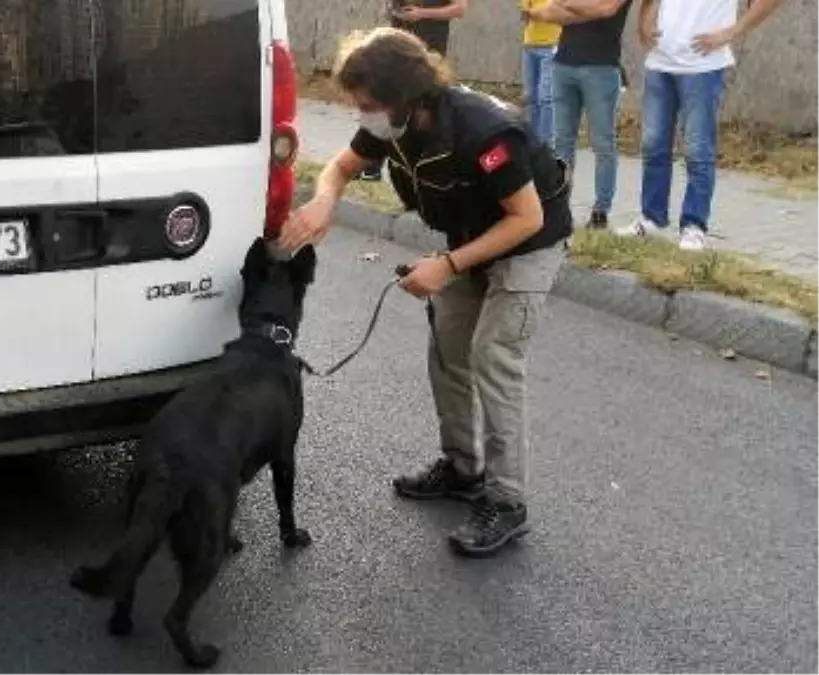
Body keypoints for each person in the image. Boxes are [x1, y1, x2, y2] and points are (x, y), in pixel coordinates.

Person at [278, 27, 574, 558]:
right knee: (448, 352)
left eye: (367, 104)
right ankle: (463, 470)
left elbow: (526, 218)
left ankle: (508, 501)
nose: (361, 113)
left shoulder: (485, 133)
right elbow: (342, 167)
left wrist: (448, 266)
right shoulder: (395, 125)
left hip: (529, 242)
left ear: (405, 97)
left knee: (493, 355)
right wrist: (325, 199)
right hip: (469, 238)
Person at [616, 0, 787, 250]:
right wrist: (643, 23)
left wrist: (732, 32)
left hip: (702, 66)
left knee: (697, 149)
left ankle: (694, 226)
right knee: (653, 146)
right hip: (660, 62)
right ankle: (651, 218)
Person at [527, 0, 633, 230]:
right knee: (562, 141)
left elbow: (606, 9)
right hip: (563, 64)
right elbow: (546, 12)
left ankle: (600, 210)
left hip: (602, 68)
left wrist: (567, 5)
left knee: (603, 142)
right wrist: (584, 9)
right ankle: (560, 205)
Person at [361, 0, 469, 182]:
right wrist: (392, 10)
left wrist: (421, 13)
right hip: (397, 46)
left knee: (424, 112)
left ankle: (429, 172)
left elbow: (459, 9)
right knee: (386, 102)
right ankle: (371, 164)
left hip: (427, 53)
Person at [520, 0, 562, 143]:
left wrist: (536, 12)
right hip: (530, 44)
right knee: (530, 96)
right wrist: (540, 12)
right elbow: (525, 15)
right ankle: (530, 141)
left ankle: (545, 143)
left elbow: (555, 12)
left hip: (552, 45)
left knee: (545, 97)